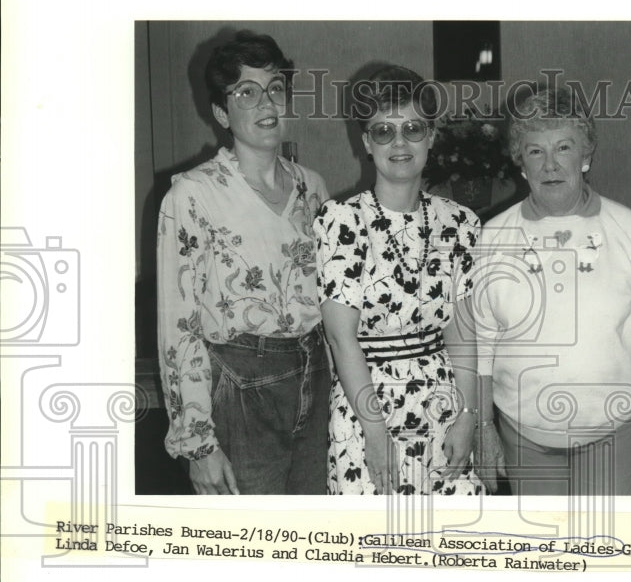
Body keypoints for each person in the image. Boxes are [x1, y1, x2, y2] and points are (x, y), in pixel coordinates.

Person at [475, 84, 631, 496]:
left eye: (563, 148)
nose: (550, 164)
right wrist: (484, 428)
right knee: (541, 550)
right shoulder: (493, 238)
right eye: (535, 151)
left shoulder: (630, 230)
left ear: (585, 157)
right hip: (523, 436)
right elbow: (480, 341)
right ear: (521, 164)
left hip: (613, 435)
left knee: (602, 551)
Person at [157, 31, 331, 494]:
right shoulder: (192, 194)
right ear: (221, 113)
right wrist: (197, 442)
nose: (265, 103)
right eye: (246, 93)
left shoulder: (312, 187)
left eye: (275, 88)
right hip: (240, 388)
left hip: (315, 380)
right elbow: (178, 324)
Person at [313, 66, 483, 495]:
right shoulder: (342, 221)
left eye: (412, 128)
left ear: (431, 136)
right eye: (384, 131)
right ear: (366, 143)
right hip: (368, 407)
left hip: (443, 404)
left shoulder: (460, 222)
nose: (400, 142)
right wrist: (373, 431)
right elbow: (340, 340)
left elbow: (462, 332)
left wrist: (467, 415)